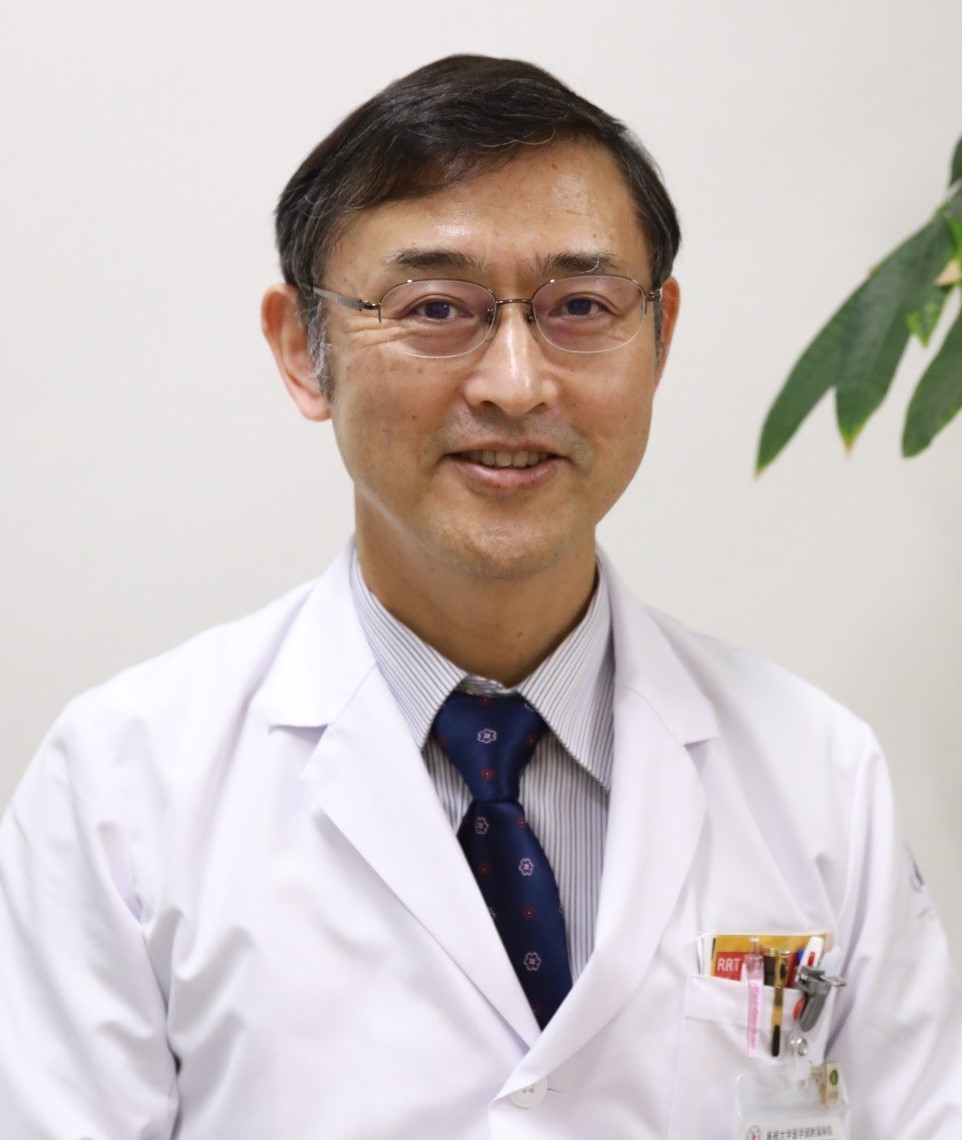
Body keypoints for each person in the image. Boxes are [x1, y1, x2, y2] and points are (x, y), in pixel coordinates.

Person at [0, 54, 959, 1140]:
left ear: (659, 335)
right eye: (436, 308)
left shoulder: (816, 776)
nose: (514, 383)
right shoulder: (123, 791)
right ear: (302, 350)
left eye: (580, 305)